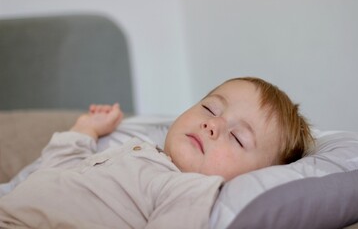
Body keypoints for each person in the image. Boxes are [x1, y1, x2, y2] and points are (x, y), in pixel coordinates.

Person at [0, 77, 313, 229]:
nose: (211, 124)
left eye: (238, 138)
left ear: (256, 176)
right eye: (209, 108)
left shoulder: (187, 188)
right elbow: (57, 167)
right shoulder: (137, 150)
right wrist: (86, 129)